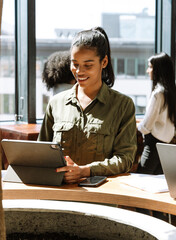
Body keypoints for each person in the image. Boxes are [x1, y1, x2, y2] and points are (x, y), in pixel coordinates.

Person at [38, 26, 137, 184]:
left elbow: (125, 160)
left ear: (103, 62)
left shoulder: (122, 105)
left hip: (100, 195)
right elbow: (40, 151)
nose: (79, 71)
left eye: (88, 65)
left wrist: (85, 170)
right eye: (75, 64)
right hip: (59, 192)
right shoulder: (56, 103)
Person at [136, 52, 176, 175]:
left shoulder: (158, 94)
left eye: (150, 67)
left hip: (153, 144)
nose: (147, 70)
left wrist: (138, 126)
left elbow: (146, 125)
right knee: (157, 181)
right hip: (166, 145)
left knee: (142, 177)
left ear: (158, 70)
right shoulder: (170, 92)